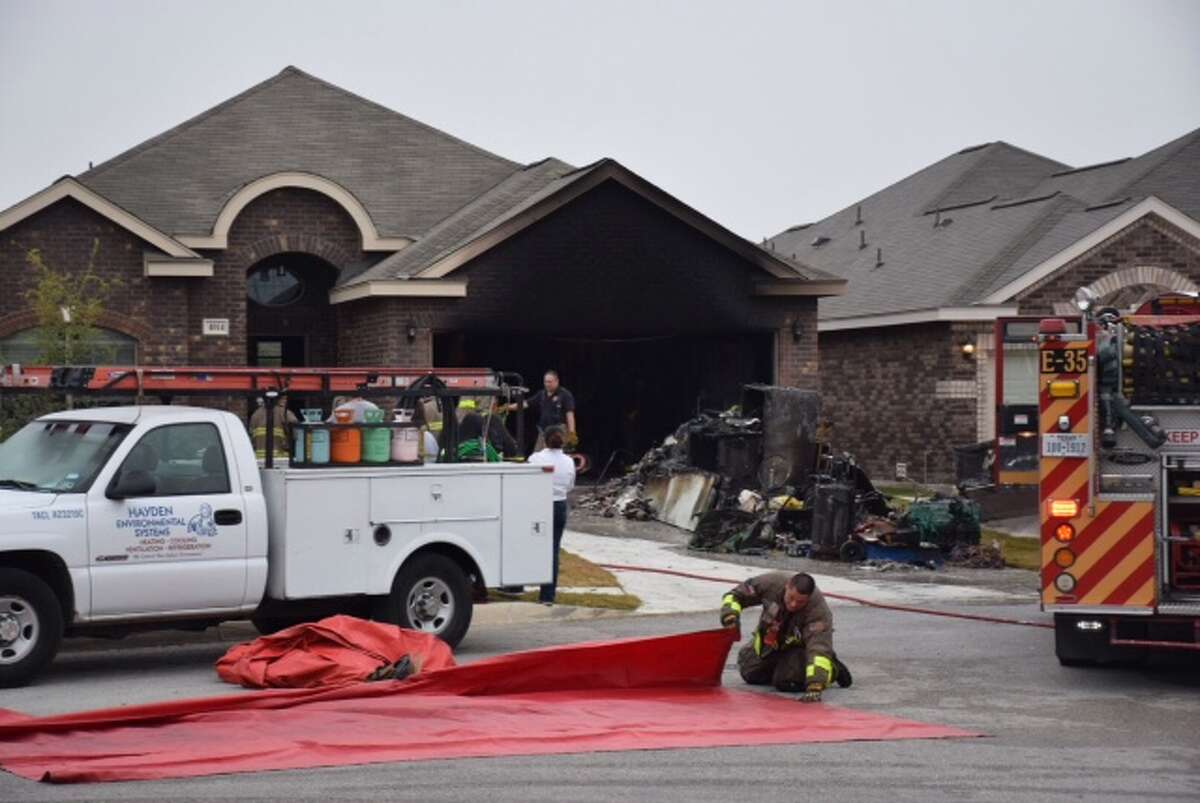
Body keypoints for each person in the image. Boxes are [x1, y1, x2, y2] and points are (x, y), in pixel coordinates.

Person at [719, 572, 852, 702]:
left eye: (800, 602)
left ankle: (833, 668)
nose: (793, 604)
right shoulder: (770, 583)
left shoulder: (818, 612)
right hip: (772, 643)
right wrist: (730, 616)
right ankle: (783, 667)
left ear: (809, 598)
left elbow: (819, 648)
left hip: (798, 648)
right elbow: (734, 596)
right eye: (791, 598)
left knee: (786, 681)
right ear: (787, 586)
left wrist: (815, 685)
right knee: (750, 673)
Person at [528, 426, 576, 605]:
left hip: (540, 506)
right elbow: (570, 486)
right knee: (553, 550)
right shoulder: (569, 461)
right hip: (559, 505)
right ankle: (547, 596)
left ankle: (516, 585)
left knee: (530, 545)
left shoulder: (536, 458)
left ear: (544, 440)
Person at [512, 370, 577, 450]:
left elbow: (570, 414)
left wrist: (572, 433)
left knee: (557, 454)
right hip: (543, 432)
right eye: (545, 382)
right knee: (537, 456)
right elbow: (525, 404)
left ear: (557, 381)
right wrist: (507, 407)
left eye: (550, 382)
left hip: (558, 432)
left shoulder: (565, 395)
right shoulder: (541, 394)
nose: (547, 384)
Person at [249, 396, 298, 461]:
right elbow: (297, 433)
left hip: (258, 458)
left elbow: (251, 434)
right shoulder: (284, 413)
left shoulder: (255, 414)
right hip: (280, 457)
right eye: (283, 399)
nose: (285, 401)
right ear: (276, 399)